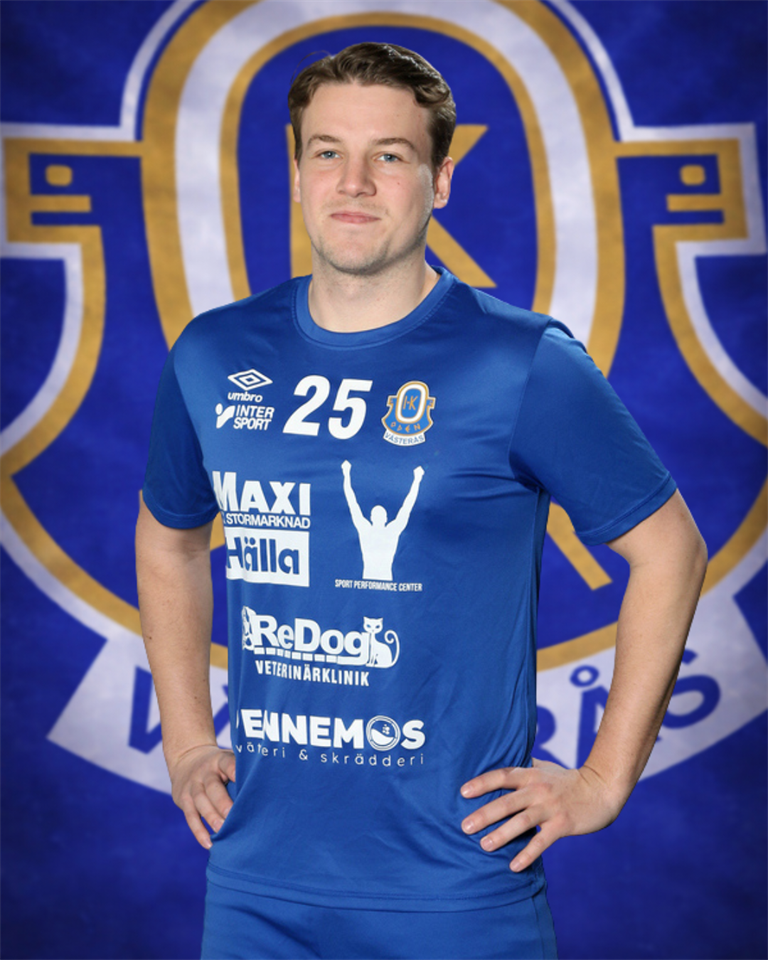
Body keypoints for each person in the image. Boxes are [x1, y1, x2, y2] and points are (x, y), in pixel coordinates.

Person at [136, 42, 707, 960]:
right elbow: (169, 539)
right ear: (295, 172)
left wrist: (604, 781)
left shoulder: (522, 362)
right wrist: (188, 743)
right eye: (328, 152)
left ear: (441, 179)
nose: (354, 182)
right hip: (256, 892)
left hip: (457, 896)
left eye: (390, 156)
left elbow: (670, 551)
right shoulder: (213, 354)